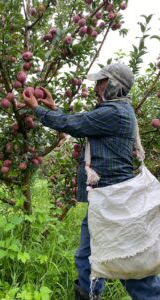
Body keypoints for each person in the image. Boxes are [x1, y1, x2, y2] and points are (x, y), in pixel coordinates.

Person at [22, 63, 160, 300]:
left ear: (114, 85)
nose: (96, 87)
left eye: (101, 81)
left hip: (115, 201)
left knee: (133, 271)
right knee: (87, 258)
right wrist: (54, 107)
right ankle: (88, 295)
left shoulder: (114, 112)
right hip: (105, 199)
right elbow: (83, 122)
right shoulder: (115, 111)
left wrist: (37, 109)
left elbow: (75, 124)